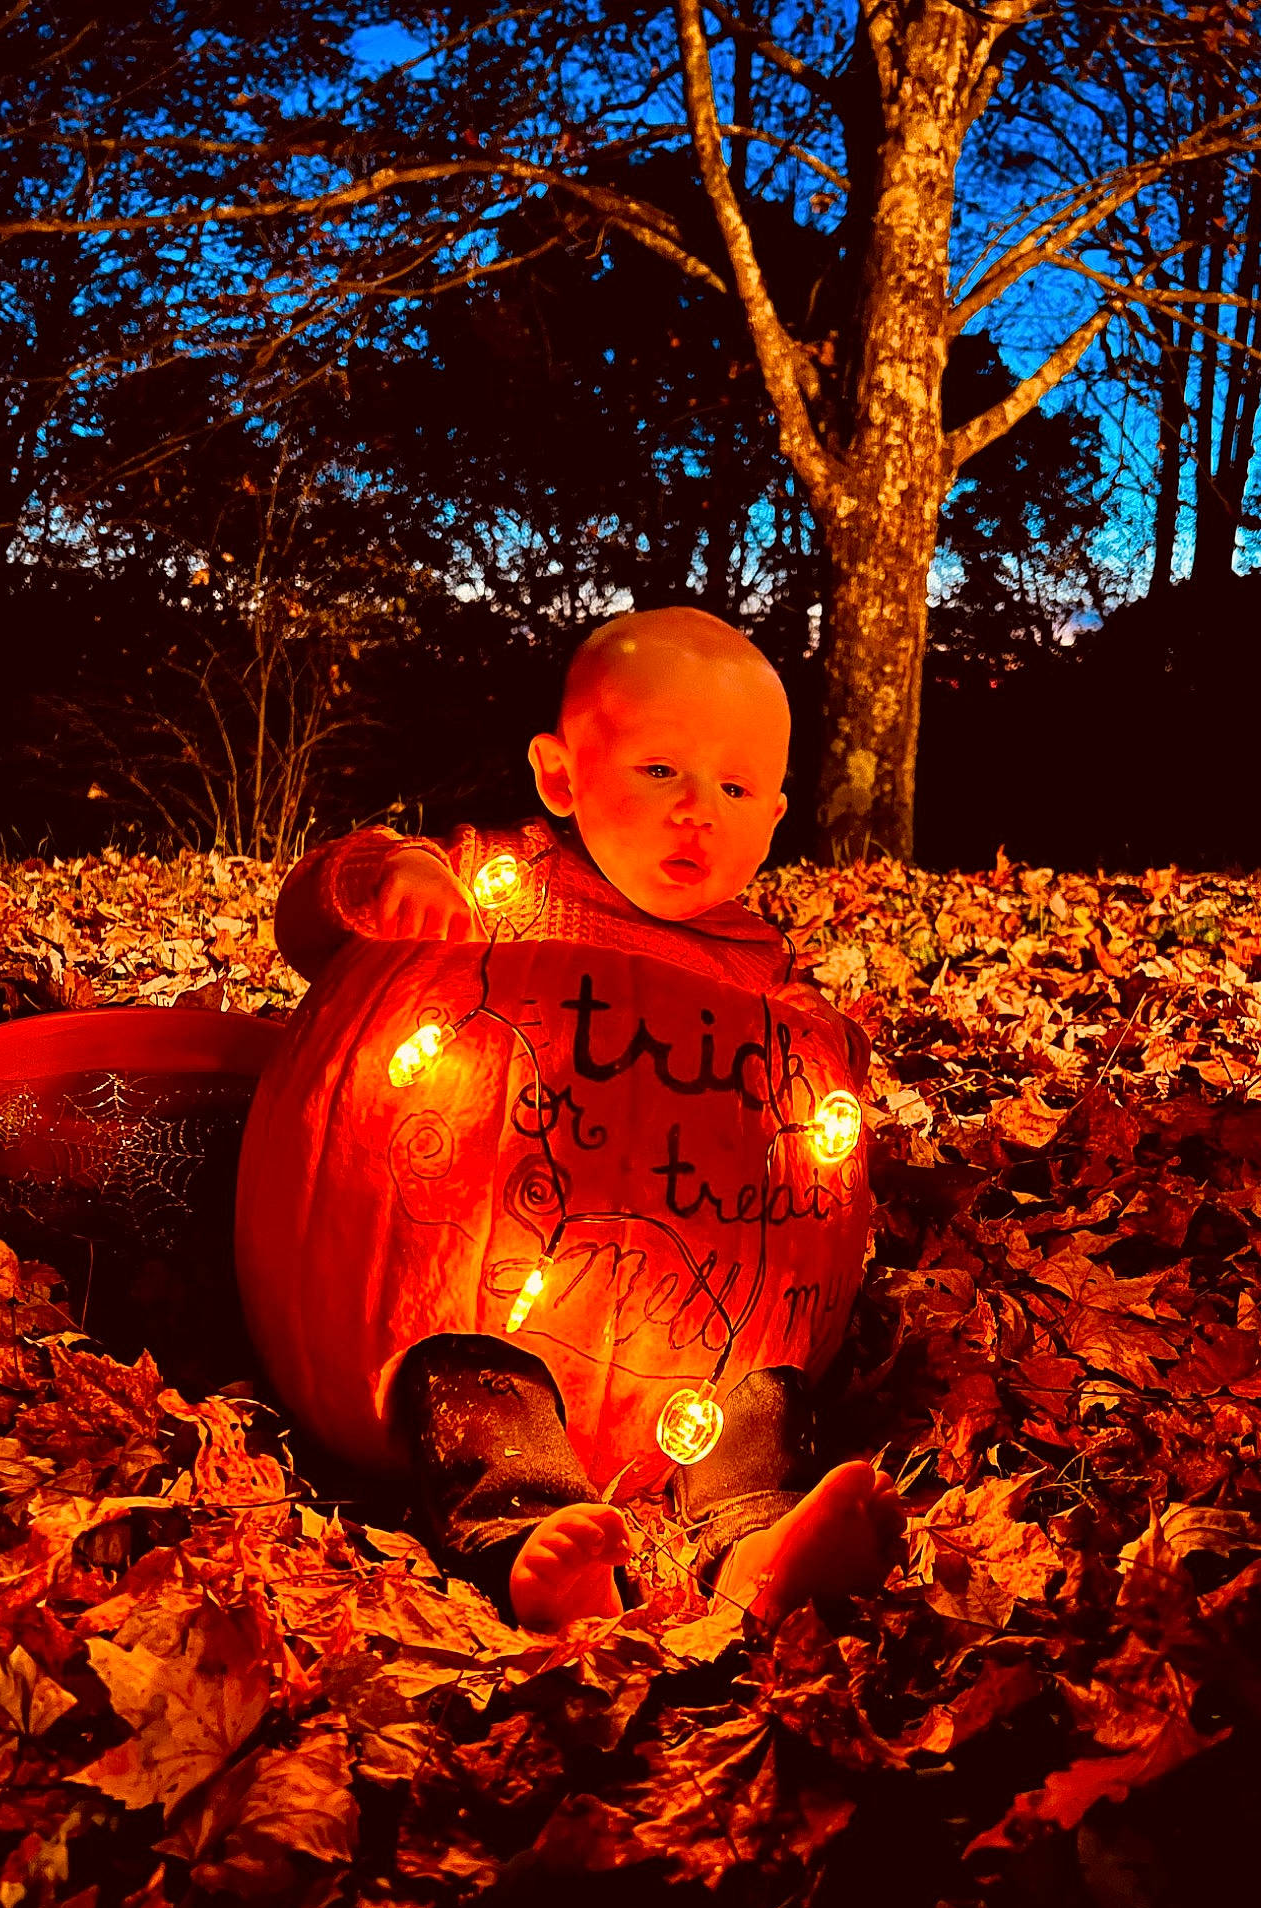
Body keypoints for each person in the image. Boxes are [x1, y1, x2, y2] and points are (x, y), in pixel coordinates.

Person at [269, 607, 906, 1631]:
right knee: (468, 1381)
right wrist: (387, 877)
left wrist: (826, 1046)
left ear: (776, 817)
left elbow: (814, 1107)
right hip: (478, 1278)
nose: (697, 811)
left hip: (691, 1322)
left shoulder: (758, 966)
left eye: (735, 788)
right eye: (661, 771)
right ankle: (531, 1543)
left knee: (760, 1399)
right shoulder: (496, 887)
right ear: (561, 775)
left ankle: (761, 1539)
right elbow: (310, 922)